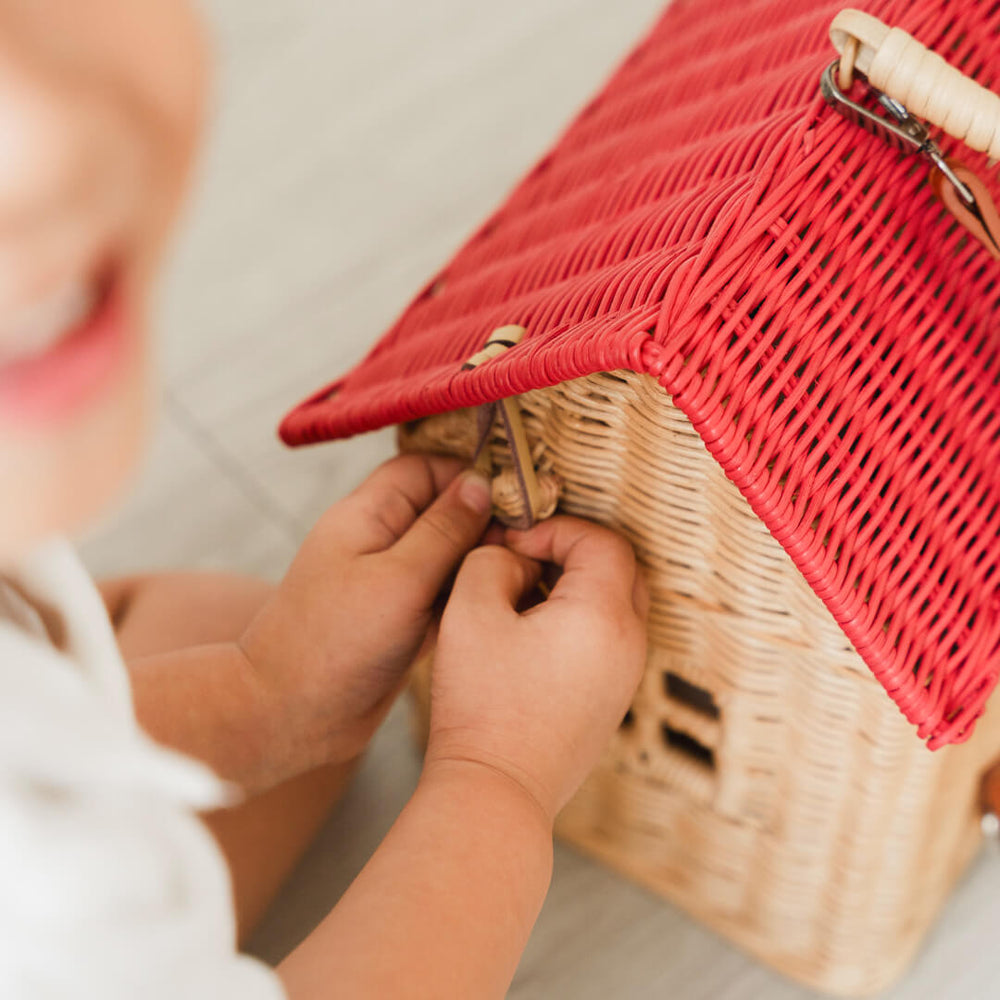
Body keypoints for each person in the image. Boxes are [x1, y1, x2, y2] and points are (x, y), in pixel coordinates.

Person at [0, 1, 648, 997]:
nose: (31, 145)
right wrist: (499, 781)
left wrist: (268, 690)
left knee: (216, 626)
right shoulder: (46, 883)